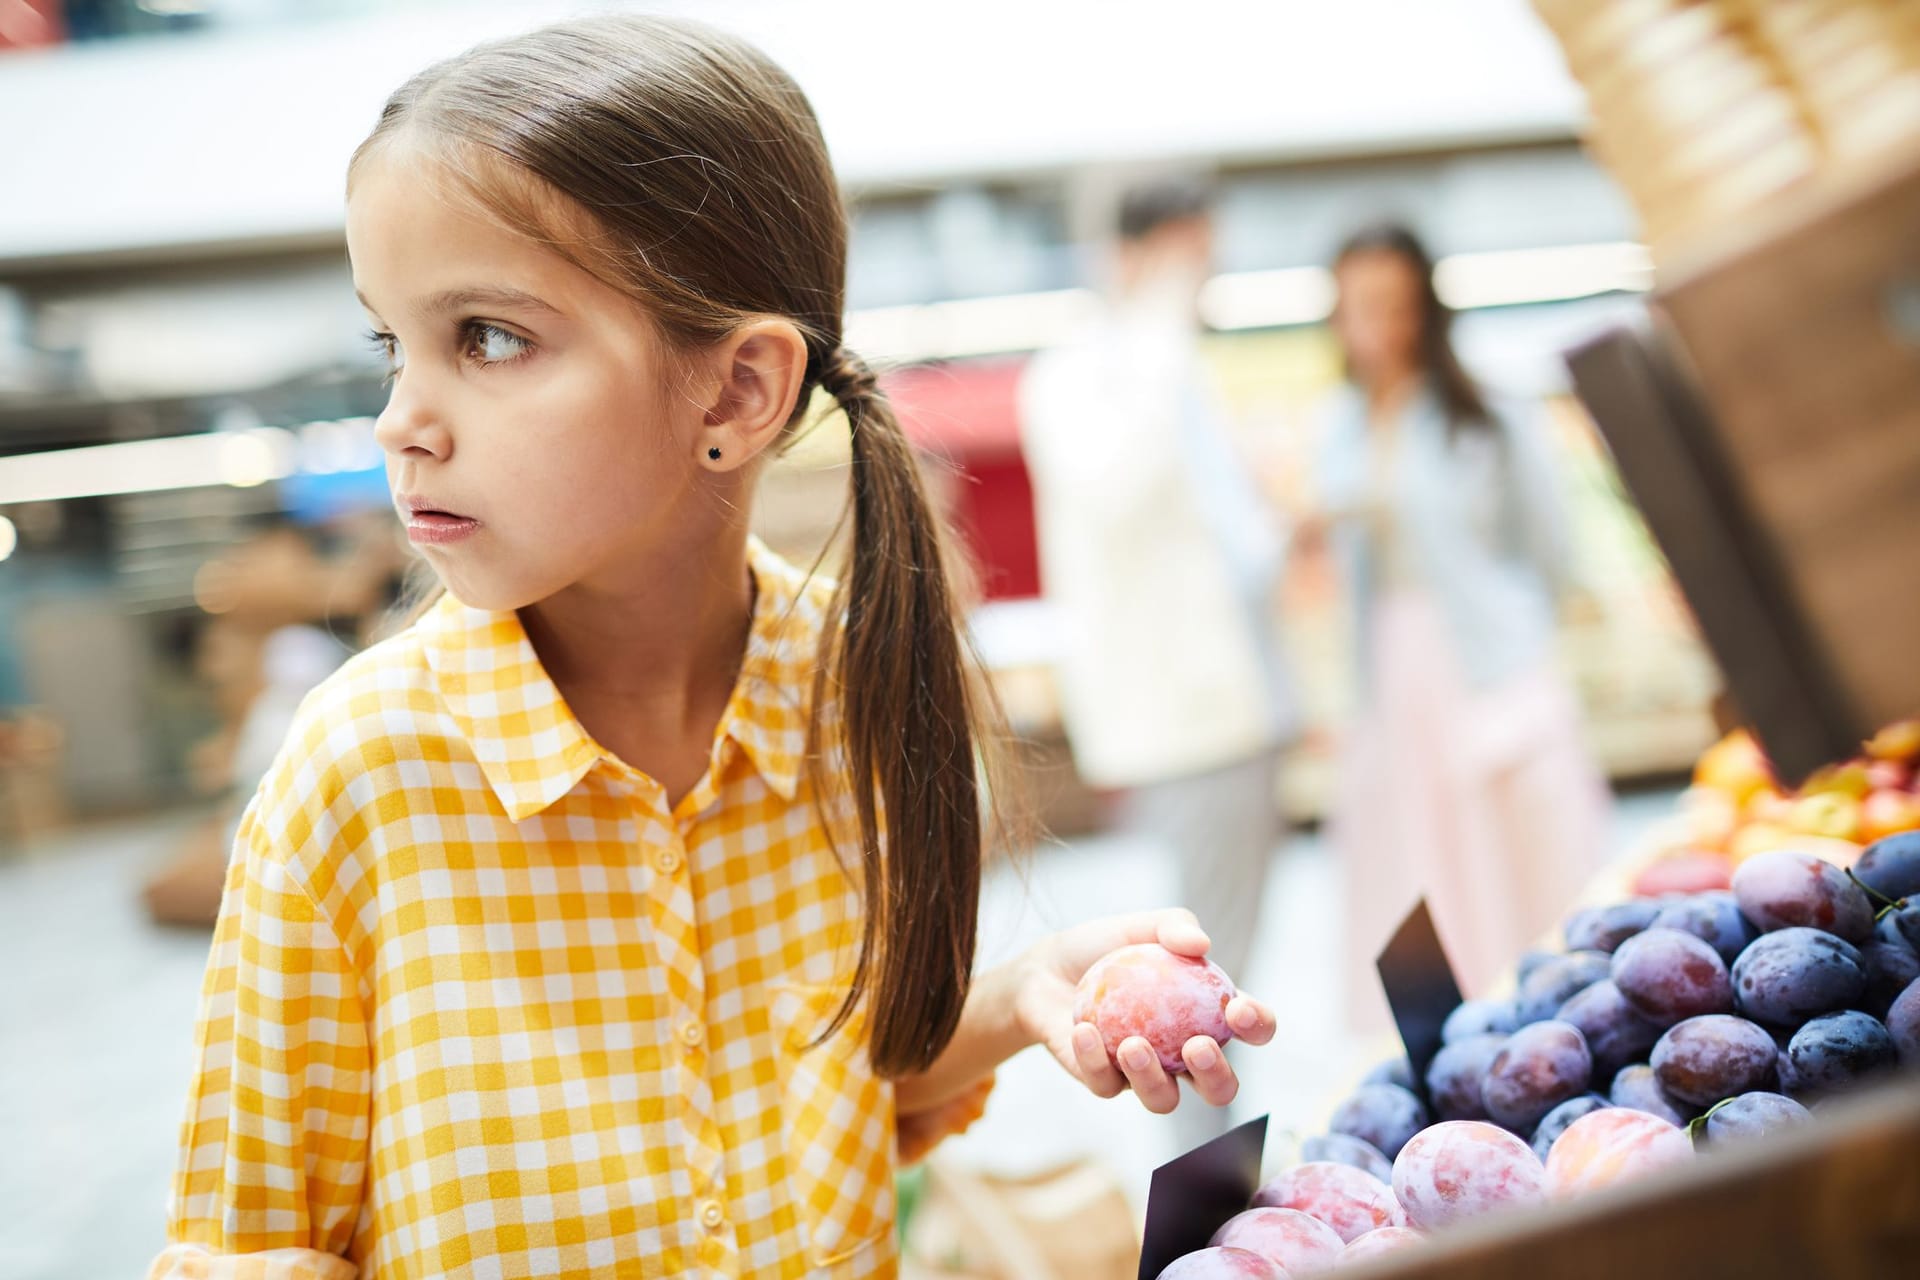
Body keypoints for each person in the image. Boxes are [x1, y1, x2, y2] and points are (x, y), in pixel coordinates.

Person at [150, 18, 1276, 1279]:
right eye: (391, 342)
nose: (401, 419)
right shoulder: (356, 779)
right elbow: (248, 1252)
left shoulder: (847, 686)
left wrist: (1016, 1000)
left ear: (738, 392)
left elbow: (845, 1099)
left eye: (489, 337)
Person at [1019, 181, 1294, 1142]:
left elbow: (1228, 542)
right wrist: (1158, 321)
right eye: (1190, 259)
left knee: (1228, 968)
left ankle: (1224, 1187)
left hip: (1240, 714)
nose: (1202, 283)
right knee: (1191, 987)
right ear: (1140, 254)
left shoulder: (1161, 366)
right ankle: (1215, 1204)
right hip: (1189, 724)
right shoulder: (1092, 373)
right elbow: (1122, 489)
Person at [1312, 220, 1610, 1019]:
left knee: (1515, 852)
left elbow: (1548, 546)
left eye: (1390, 303)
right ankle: (1450, 1034)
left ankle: (1546, 1014)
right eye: (1356, 304)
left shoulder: (1484, 413)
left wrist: (1523, 646)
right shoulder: (1338, 423)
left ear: (1423, 307)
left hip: (1486, 658)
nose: (1374, 323)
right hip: (1389, 667)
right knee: (1415, 861)